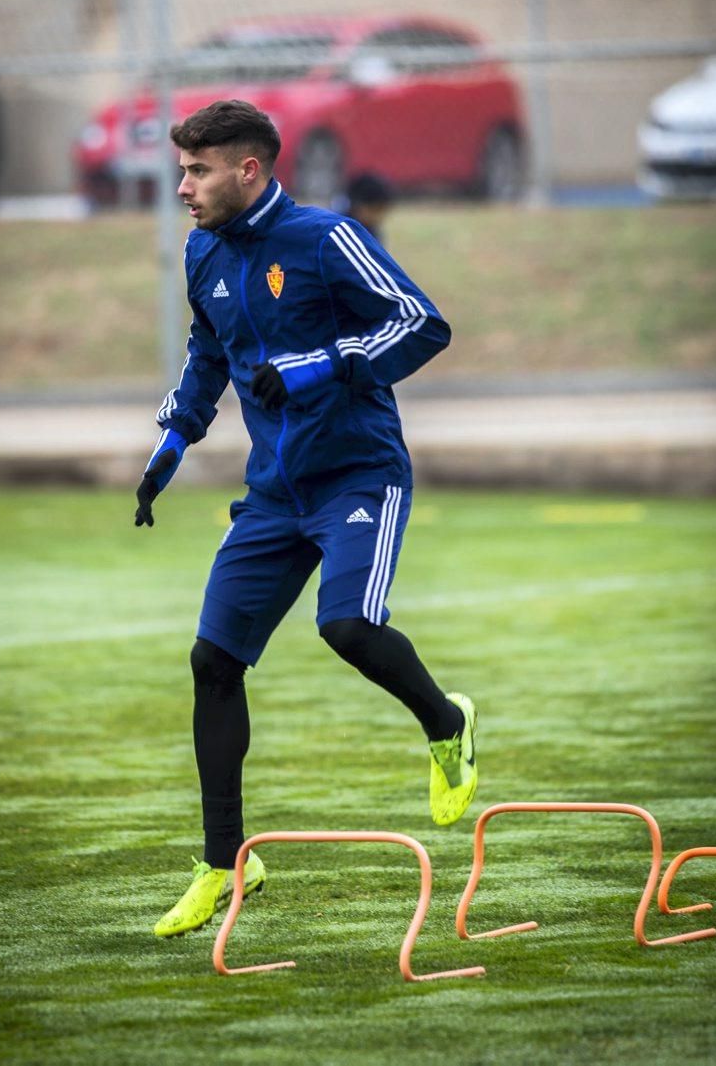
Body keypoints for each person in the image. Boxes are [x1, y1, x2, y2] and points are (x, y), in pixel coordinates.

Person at [135, 100, 478, 938]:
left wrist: (321, 366)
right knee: (213, 661)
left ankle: (448, 721)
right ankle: (226, 861)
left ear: (248, 171)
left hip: (359, 476)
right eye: (181, 170)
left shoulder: (327, 238)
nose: (183, 187)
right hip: (273, 494)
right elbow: (209, 349)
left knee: (349, 629)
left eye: (198, 171)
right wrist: (173, 441)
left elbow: (422, 323)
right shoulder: (203, 249)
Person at [344, 171, 394, 243]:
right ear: (358, 205)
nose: (379, 216)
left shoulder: (372, 232)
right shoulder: (335, 229)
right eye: (375, 210)